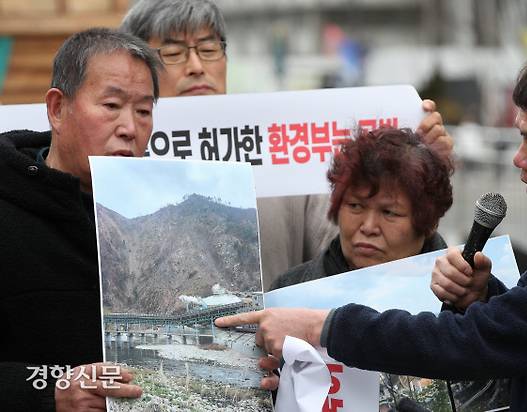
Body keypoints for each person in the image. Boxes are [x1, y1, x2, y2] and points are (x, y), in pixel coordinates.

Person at [215, 42, 527, 411]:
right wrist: (485, 297)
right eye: (355, 206)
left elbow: (473, 343)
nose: (518, 158)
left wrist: (322, 327)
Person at [120, 0, 453, 290]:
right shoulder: (118, 156)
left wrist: (417, 179)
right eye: (174, 53)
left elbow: (349, 258)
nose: (196, 67)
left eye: (209, 50)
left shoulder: (286, 153)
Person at [0, 28, 162, 411]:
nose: (129, 128)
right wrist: (50, 392)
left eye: (143, 111)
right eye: (111, 106)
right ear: (58, 109)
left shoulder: (159, 213)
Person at [269, 126, 453, 291]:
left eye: (389, 212)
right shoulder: (289, 291)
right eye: (355, 206)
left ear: (430, 223)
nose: (368, 227)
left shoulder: (465, 303)